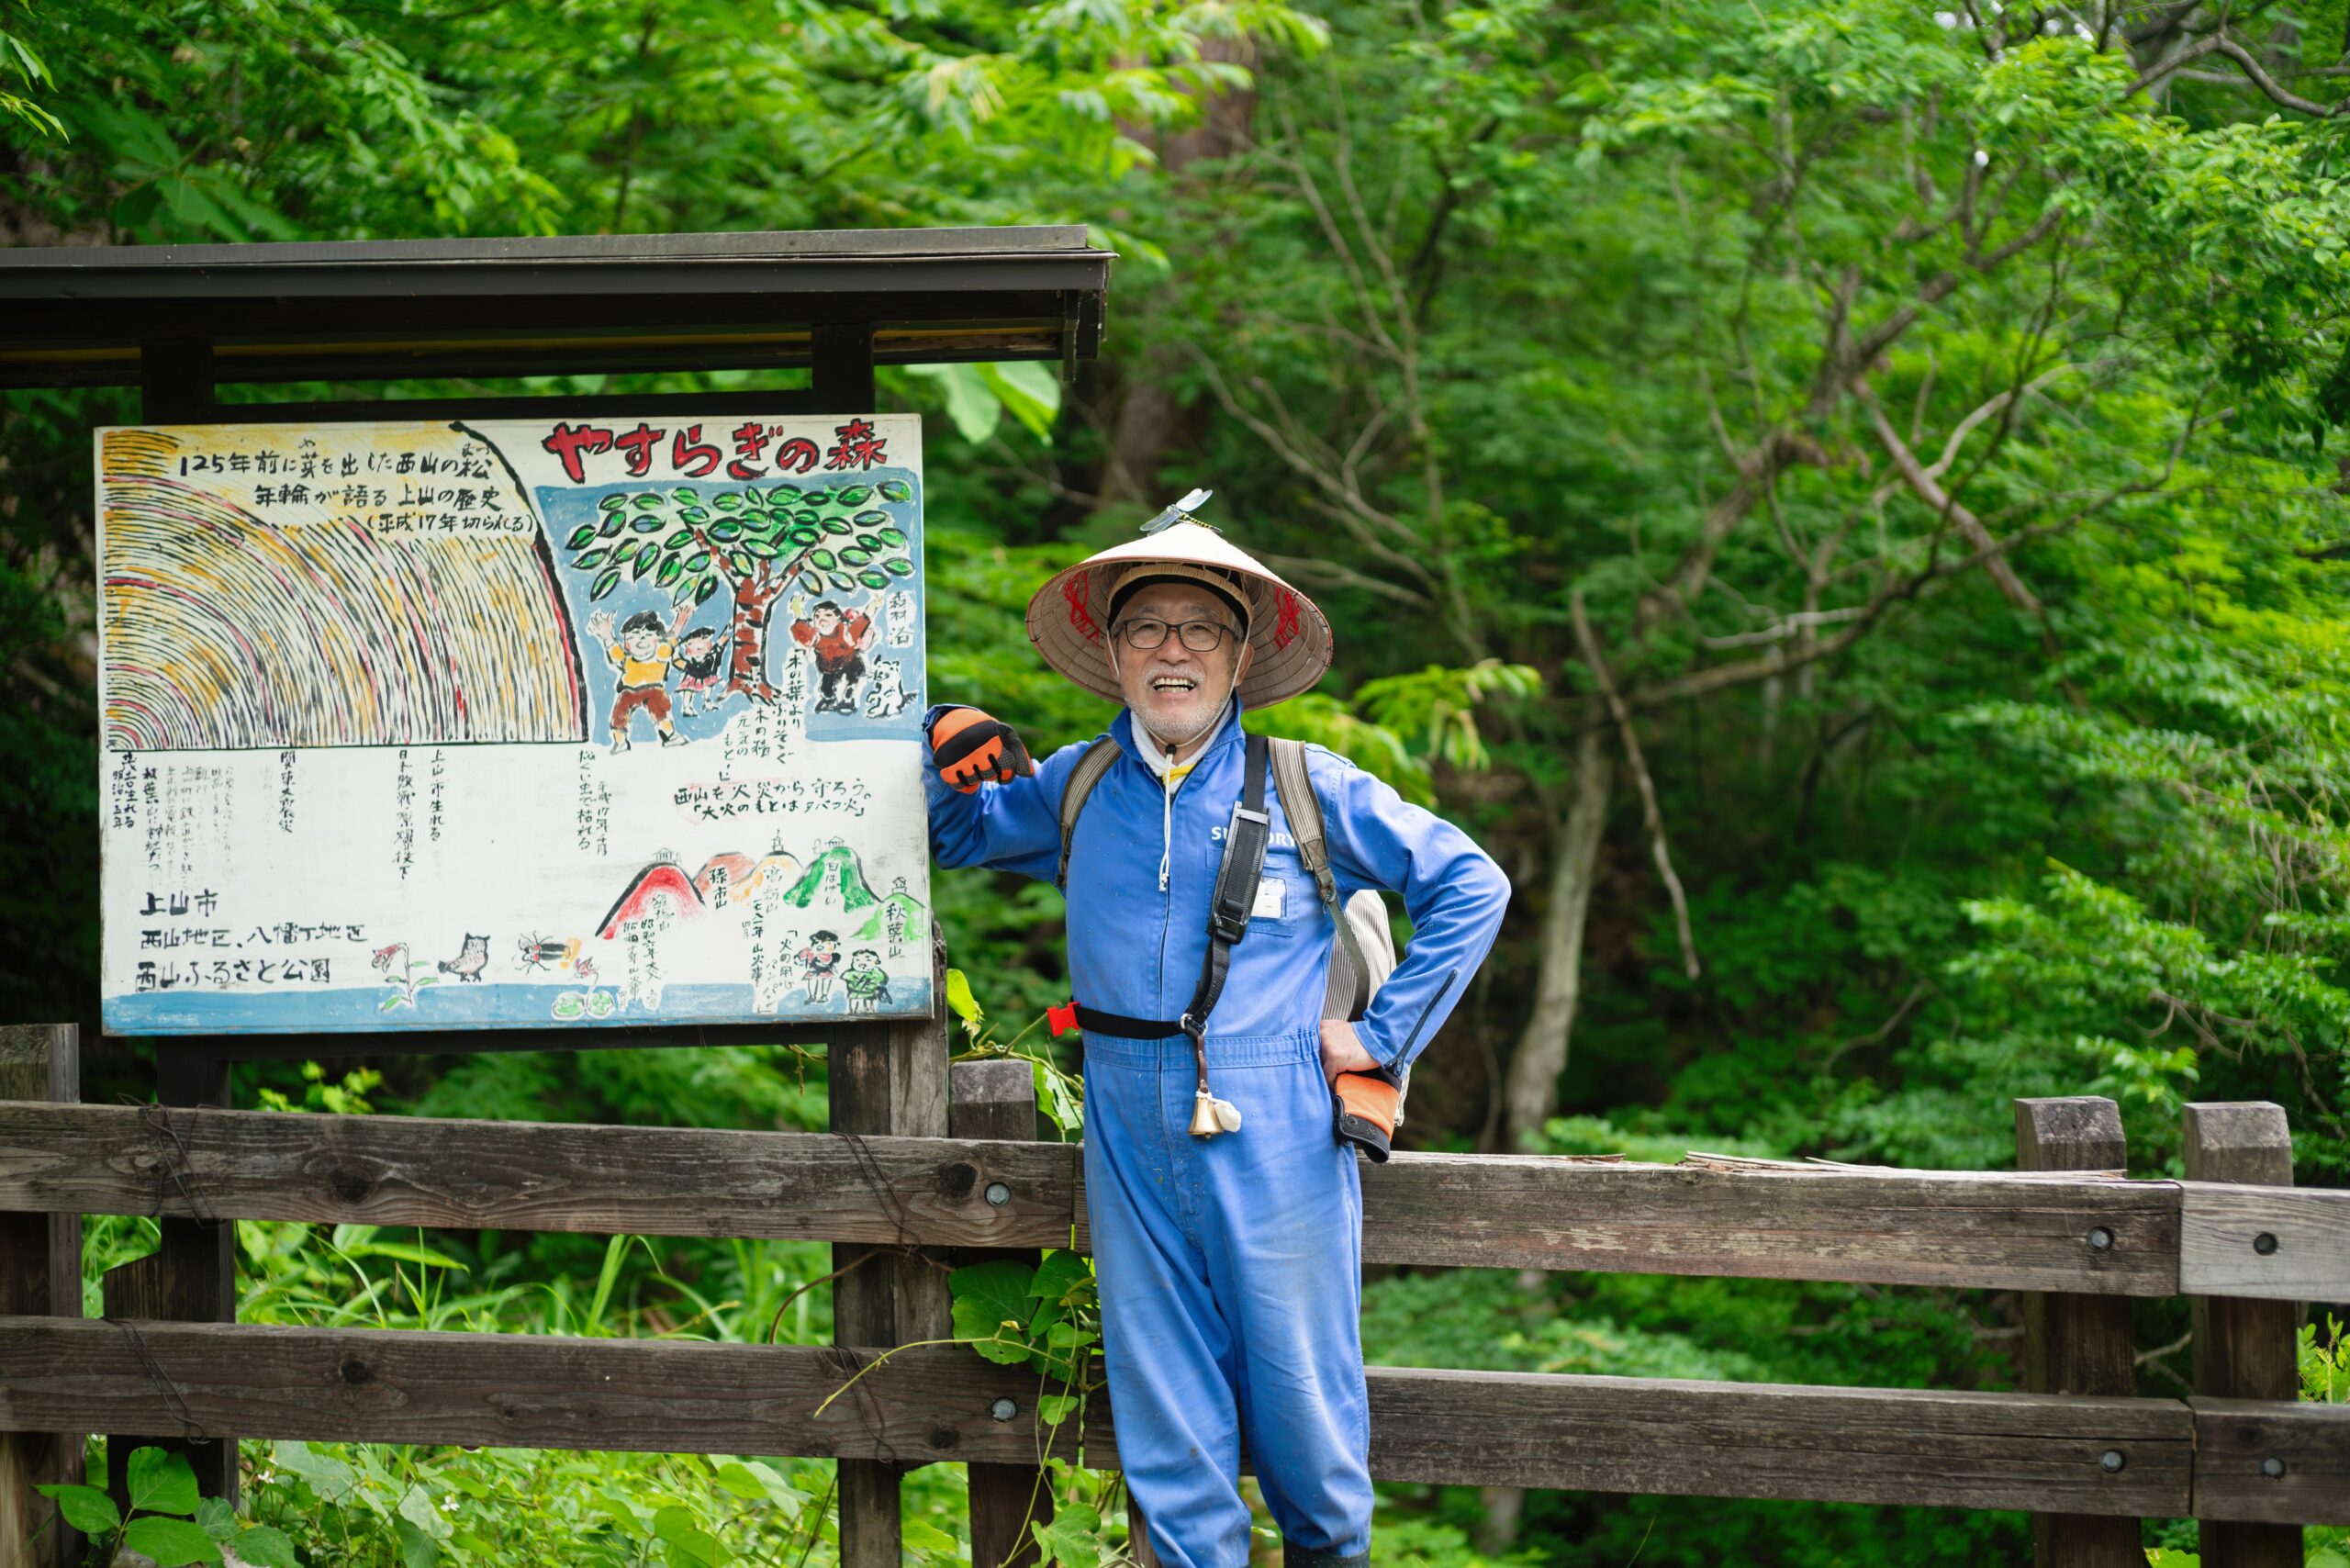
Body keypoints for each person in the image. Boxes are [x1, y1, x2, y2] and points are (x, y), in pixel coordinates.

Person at [923, 510, 1510, 1568]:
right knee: (1169, 1430)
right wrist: (939, 739)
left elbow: (1472, 883)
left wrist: (1379, 1039)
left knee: (1306, 1422)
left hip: (1275, 1116)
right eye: (1146, 627)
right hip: (1124, 1111)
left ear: (1242, 655)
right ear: (1111, 654)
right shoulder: (1077, 784)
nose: (1172, 649)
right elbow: (953, 831)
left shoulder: (1306, 783)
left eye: (1201, 628)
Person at [587, 605, 690, 751]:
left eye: (648, 634)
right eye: (633, 635)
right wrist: (607, 636)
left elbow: (673, 635)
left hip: (654, 689)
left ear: (658, 639)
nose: (641, 638)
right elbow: (613, 650)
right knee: (619, 714)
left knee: (659, 709)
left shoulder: (661, 653)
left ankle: (670, 736)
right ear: (626, 643)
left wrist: (681, 620)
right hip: (629, 692)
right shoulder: (627, 659)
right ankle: (620, 741)